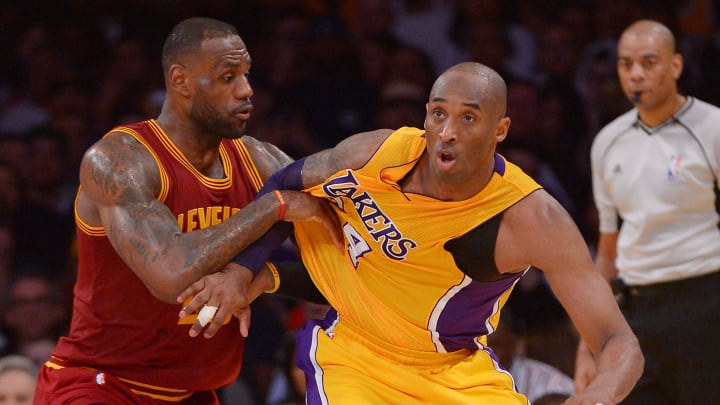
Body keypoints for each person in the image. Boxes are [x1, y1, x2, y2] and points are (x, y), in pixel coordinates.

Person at [181, 61, 643, 404]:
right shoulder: (372, 154)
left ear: (500, 128)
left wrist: (597, 397)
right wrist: (244, 271)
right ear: (424, 116)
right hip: (355, 356)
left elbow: (618, 343)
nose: (447, 132)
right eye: (439, 114)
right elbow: (284, 185)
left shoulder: (531, 218)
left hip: (454, 373)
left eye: (468, 118)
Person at [33, 17, 340, 404]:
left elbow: (347, 274)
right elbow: (171, 277)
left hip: (192, 393)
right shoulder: (120, 160)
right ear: (181, 81)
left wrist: (261, 276)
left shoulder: (260, 161)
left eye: (246, 74)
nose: (246, 90)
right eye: (228, 77)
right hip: (102, 384)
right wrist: (274, 206)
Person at [575, 19, 720, 404]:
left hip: (706, 301)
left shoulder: (712, 128)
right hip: (637, 308)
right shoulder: (607, 143)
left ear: (675, 66)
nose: (636, 74)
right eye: (626, 64)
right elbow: (606, 253)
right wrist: (588, 345)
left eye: (649, 62)